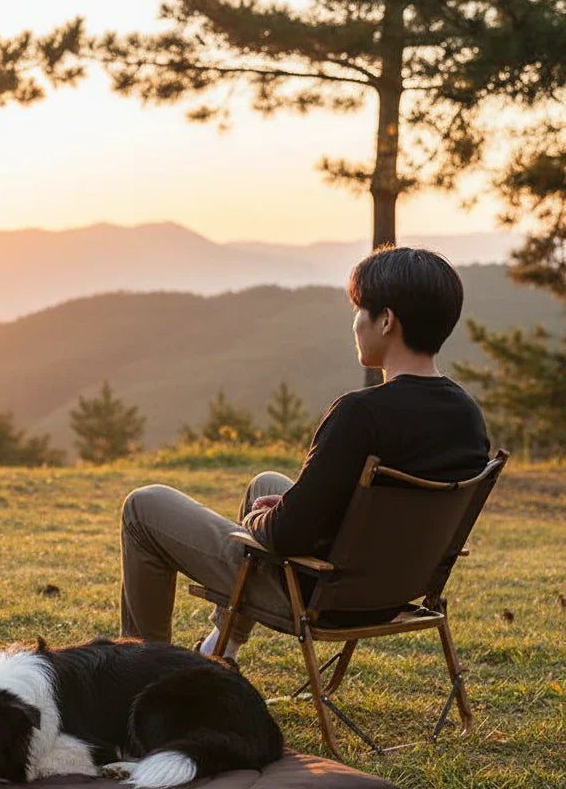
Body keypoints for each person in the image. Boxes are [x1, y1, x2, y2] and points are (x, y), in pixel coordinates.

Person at [119, 246, 491, 662]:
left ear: (386, 321)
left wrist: (258, 520)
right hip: (393, 589)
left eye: (360, 309)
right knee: (266, 483)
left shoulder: (360, 414)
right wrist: (288, 509)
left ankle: (147, 670)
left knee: (143, 506)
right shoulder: (468, 416)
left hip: (320, 594)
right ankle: (219, 652)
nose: (355, 322)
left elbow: (286, 536)